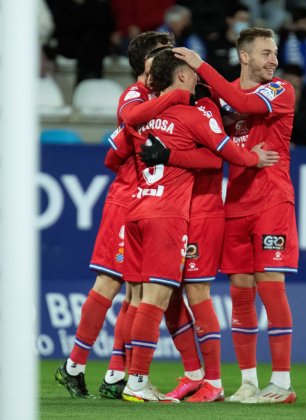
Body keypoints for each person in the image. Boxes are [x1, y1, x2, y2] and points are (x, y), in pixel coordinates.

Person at [121, 48, 278, 403]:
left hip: (156, 208)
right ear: (180, 76)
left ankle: (208, 380)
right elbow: (225, 154)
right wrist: (253, 158)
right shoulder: (191, 113)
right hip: (170, 214)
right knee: (159, 297)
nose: (197, 77)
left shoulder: (141, 116)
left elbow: (115, 148)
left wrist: (169, 153)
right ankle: (141, 379)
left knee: (179, 294)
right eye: (191, 71)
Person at [54, 31, 186, 400]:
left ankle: (116, 374)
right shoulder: (136, 95)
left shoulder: (160, 97)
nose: (171, 58)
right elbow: (115, 149)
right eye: (163, 53)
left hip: (149, 201)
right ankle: (75, 364)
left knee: (137, 291)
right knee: (109, 284)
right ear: (146, 62)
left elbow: (113, 153)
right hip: (127, 200)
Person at [173, 26, 298, 404]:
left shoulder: (280, 90)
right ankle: (247, 382)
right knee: (240, 291)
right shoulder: (223, 94)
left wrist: (201, 65)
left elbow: (242, 106)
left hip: (272, 200)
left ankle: (281, 383)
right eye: (265, 53)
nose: (273, 60)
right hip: (236, 204)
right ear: (244, 56)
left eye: (274, 52)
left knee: (269, 286)